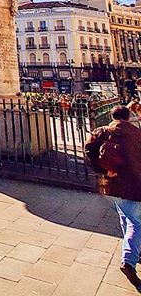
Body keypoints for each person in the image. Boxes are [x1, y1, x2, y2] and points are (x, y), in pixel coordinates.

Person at [85, 105, 141, 290]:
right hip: (134, 184)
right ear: (128, 117)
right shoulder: (136, 133)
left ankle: (134, 249)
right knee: (137, 222)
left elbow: (88, 149)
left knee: (126, 218)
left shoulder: (102, 131)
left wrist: (102, 171)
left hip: (111, 184)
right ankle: (128, 260)